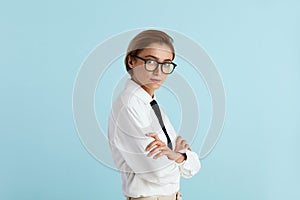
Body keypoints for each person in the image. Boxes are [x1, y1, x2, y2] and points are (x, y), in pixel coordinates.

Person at [108, 29, 201, 200]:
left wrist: (177, 156)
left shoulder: (153, 105)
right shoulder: (128, 106)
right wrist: (179, 157)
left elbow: (193, 167)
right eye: (151, 61)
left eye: (166, 64)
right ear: (131, 61)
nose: (159, 72)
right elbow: (157, 172)